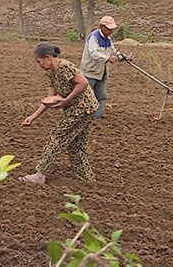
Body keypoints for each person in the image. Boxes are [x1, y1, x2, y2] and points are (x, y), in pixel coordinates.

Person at [19, 42, 99, 183]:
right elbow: (49, 99)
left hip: (82, 108)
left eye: (39, 61)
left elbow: (83, 82)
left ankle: (40, 174)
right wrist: (32, 117)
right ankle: (86, 179)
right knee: (76, 145)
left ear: (48, 57)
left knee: (57, 137)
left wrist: (66, 100)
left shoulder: (64, 67)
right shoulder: (53, 74)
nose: (39, 65)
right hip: (83, 109)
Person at [80, 15, 132, 120]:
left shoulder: (108, 38)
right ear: (102, 27)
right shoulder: (93, 37)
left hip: (101, 73)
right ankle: (83, 118)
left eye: (112, 29)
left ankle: (96, 118)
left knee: (102, 97)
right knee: (86, 97)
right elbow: (93, 52)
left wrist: (122, 56)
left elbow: (113, 50)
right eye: (109, 29)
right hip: (90, 72)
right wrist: (107, 58)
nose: (111, 31)